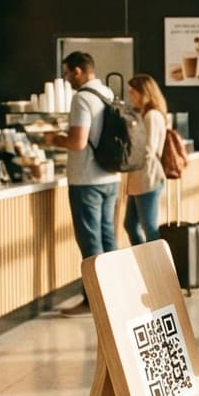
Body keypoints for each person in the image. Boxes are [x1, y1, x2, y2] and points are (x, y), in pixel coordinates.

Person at [45, 51, 119, 315]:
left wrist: (54, 139)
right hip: (110, 176)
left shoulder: (81, 98)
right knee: (108, 238)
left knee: (90, 242)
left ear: (78, 71)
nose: (66, 78)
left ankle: (93, 301)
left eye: (67, 73)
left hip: (86, 179)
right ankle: (115, 296)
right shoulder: (107, 93)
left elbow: (77, 142)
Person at [124, 74, 167, 245]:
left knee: (148, 226)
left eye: (132, 92)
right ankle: (142, 257)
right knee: (131, 224)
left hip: (148, 177)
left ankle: (155, 260)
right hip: (141, 179)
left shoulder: (151, 116)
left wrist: (128, 158)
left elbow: (148, 149)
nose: (130, 96)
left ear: (144, 93)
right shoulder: (145, 114)